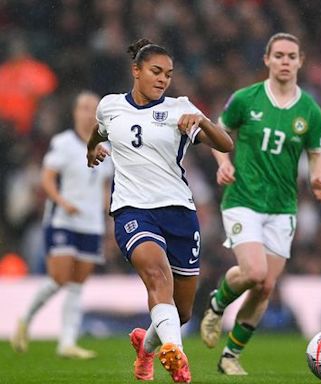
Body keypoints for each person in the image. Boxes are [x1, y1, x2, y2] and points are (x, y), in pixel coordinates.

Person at [86, 38, 233, 383]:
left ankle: (147, 347)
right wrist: (92, 149)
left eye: (168, 74)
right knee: (157, 276)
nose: (163, 79)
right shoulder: (109, 106)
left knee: (180, 311)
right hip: (132, 210)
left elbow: (225, 143)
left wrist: (202, 122)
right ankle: (178, 359)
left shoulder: (180, 108)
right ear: (135, 71)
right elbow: (99, 130)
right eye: (156, 71)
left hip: (179, 213)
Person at [200, 32, 321, 375]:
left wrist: (317, 177)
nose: (285, 61)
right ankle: (217, 306)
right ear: (267, 60)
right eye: (279, 55)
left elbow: (316, 155)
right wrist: (223, 162)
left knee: (265, 285)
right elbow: (217, 132)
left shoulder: (310, 111)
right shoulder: (246, 99)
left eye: (292, 56)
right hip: (243, 198)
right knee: (255, 271)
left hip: (283, 206)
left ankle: (230, 356)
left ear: (301, 61)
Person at [11, 91, 112, 359]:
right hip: (63, 220)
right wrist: (61, 201)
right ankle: (25, 318)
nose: (88, 112)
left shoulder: (107, 148)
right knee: (59, 278)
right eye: (83, 107)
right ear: (75, 113)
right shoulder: (63, 143)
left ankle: (67, 342)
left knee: (78, 283)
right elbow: (47, 177)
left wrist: (105, 207)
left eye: (93, 108)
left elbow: (103, 183)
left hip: (91, 223)